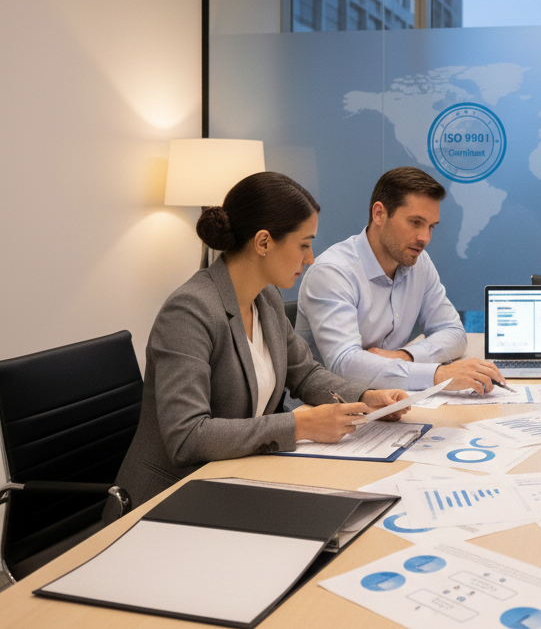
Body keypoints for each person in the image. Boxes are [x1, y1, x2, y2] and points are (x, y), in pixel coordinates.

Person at [107, 172, 409, 518]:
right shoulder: (189, 311)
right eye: (304, 244)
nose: (310, 258)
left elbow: (305, 373)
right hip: (168, 500)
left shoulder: (265, 297)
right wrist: (302, 426)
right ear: (263, 242)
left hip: (235, 481)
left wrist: (366, 397)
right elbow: (188, 436)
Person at [296, 166, 505, 392]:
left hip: (389, 401)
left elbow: (453, 332)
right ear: (379, 214)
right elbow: (345, 365)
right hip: (327, 409)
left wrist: (404, 356)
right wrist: (438, 375)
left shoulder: (419, 262)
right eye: (415, 222)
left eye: (431, 227)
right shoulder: (333, 271)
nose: (424, 238)